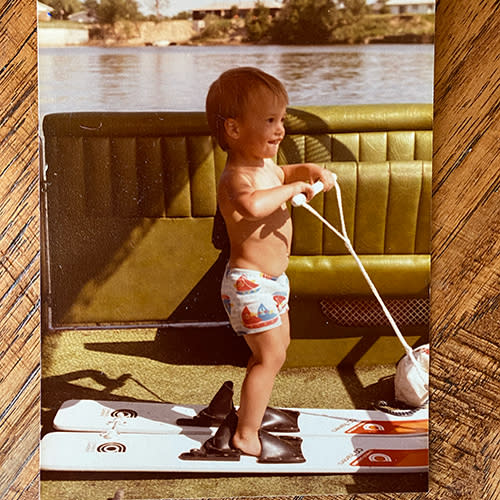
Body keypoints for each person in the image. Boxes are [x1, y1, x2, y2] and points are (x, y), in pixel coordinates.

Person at [205, 67, 336, 458]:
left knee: (278, 349)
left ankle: (251, 412)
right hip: (249, 284)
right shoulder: (236, 177)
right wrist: (294, 188)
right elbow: (253, 205)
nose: (280, 130)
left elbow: (286, 172)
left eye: (281, 119)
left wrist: (310, 172)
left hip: (274, 283)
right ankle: (245, 435)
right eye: (269, 121)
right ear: (233, 129)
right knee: (270, 356)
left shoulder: (266, 167)